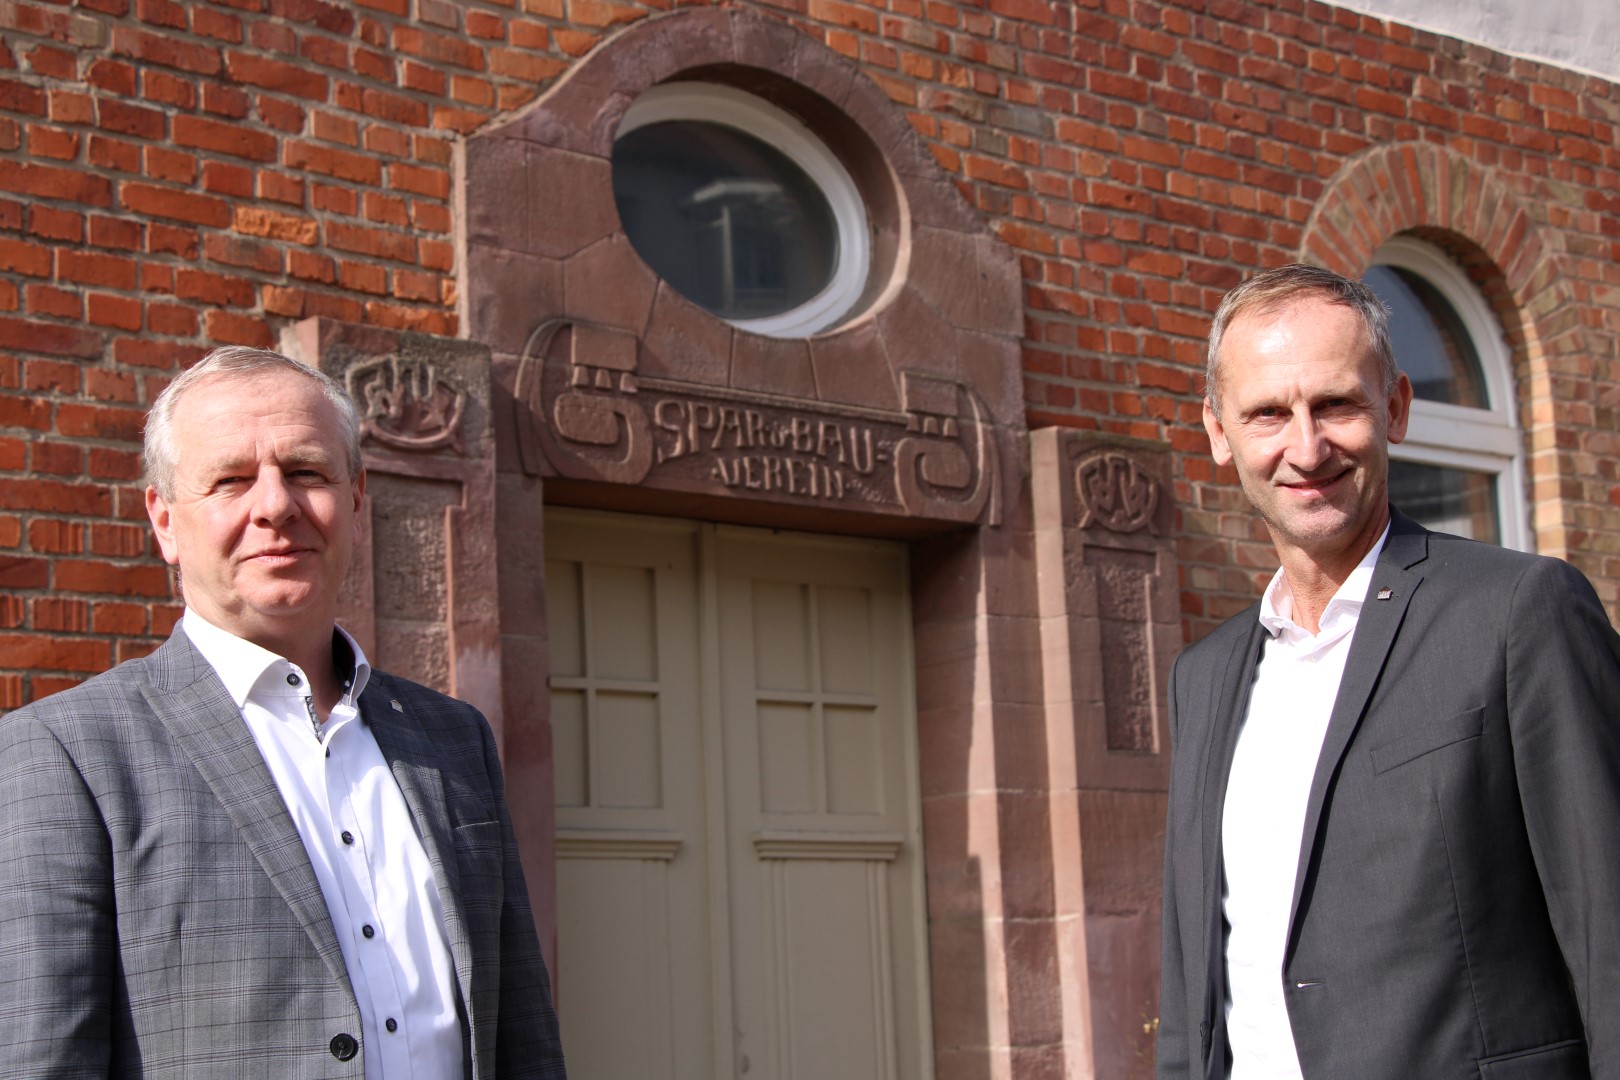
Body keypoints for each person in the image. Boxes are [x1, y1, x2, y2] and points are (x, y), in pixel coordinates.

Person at [0, 346, 567, 1078]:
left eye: (305, 472)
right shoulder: (64, 755)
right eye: (231, 480)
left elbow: (521, 1031)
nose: (275, 505)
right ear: (165, 520)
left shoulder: (453, 738)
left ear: (355, 502)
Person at [1157, 264, 1620, 1080]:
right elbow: (1194, 977)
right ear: (1219, 433)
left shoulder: (1518, 613)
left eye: (1336, 404)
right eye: (1268, 413)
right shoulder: (1203, 678)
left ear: (1396, 407)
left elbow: (1609, 927)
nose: (1306, 448)